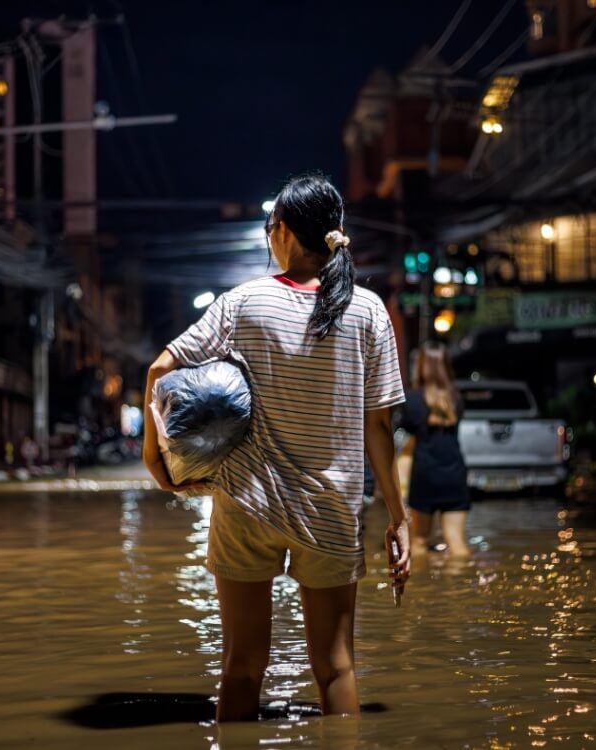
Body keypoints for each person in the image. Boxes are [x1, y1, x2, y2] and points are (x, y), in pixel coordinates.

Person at [143, 174, 410, 722]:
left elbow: (160, 369)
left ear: (283, 232)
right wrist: (398, 518)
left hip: (246, 504)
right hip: (332, 511)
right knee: (336, 668)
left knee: (241, 667)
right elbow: (378, 429)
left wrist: (157, 460)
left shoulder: (244, 302)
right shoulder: (368, 311)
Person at [400, 342, 471, 558]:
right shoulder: (456, 398)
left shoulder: (412, 400)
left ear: (421, 366)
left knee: (419, 541)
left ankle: (422, 589)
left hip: (425, 474)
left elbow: (407, 437)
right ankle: (460, 587)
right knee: (456, 541)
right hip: (455, 473)